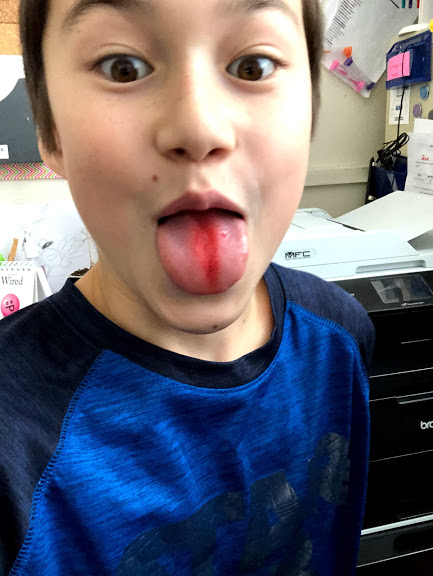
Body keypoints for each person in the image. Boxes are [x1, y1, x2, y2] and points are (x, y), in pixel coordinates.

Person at [0, 0, 374, 574]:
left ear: (310, 116)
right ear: (50, 131)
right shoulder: (12, 433)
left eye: (252, 66)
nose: (199, 128)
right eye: (123, 67)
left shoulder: (341, 340)